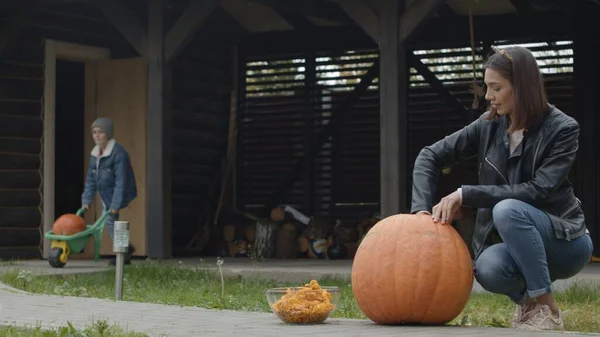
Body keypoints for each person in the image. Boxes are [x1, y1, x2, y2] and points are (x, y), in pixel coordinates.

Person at [410, 46, 593, 331]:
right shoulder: (488, 125)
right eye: (486, 87)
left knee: (507, 210)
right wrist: (421, 212)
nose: (487, 96)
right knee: (487, 267)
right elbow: (429, 156)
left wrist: (465, 194)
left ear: (522, 87)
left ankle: (548, 309)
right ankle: (530, 307)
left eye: (496, 88)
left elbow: (536, 190)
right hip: (518, 244)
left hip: (565, 240)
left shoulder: (562, 129)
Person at [81, 117, 138, 266]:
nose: (97, 135)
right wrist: (87, 199)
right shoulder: (95, 155)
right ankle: (126, 250)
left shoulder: (118, 153)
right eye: (94, 132)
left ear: (108, 134)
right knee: (110, 222)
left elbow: (122, 181)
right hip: (106, 192)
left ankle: (123, 254)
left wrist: (115, 204)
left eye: (101, 132)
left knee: (111, 221)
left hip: (119, 192)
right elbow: (91, 179)